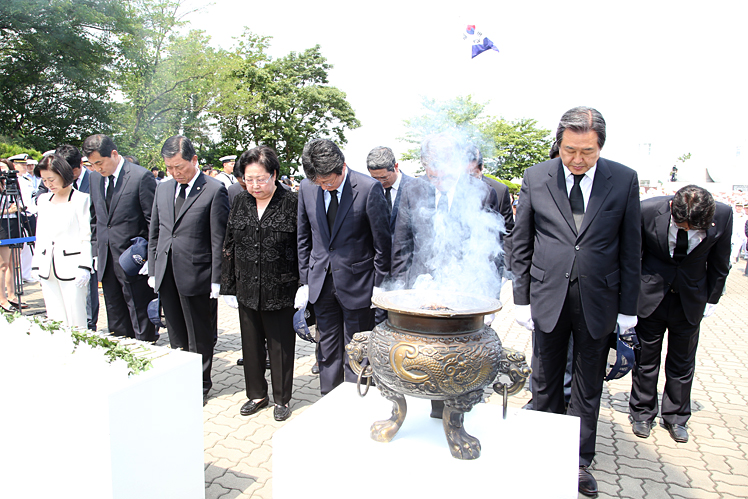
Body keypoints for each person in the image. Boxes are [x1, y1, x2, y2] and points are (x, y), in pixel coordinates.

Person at [511, 106, 641, 497]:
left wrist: (628, 308)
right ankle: (541, 451)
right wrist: (521, 299)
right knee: (545, 378)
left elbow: (631, 247)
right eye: (570, 150)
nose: (578, 160)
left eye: (587, 152)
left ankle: (578, 461)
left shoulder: (623, 180)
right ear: (560, 144)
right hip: (547, 294)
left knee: (587, 385)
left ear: (600, 146)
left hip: (599, 298)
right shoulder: (537, 176)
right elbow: (522, 241)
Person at [390, 132, 502, 418]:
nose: (435, 171)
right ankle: (433, 412)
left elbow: (489, 249)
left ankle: (458, 414)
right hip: (422, 288)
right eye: (430, 163)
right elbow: (401, 246)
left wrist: (488, 297)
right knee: (427, 357)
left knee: (460, 359)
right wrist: (398, 292)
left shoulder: (482, 191)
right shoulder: (413, 190)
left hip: (463, 290)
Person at [629, 185, 731, 443]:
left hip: (691, 298)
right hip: (651, 295)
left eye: (695, 228)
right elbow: (633, 256)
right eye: (683, 225)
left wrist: (713, 299)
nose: (688, 231)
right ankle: (642, 413)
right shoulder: (648, 210)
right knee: (645, 358)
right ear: (672, 208)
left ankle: (675, 417)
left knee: (682, 362)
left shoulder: (724, 214)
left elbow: (720, 261)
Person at [296, 139, 391, 395]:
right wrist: (304, 282)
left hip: (358, 284)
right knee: (326, 346)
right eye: (320, 183)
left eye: (329, 182)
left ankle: (355, 398)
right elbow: (304, 237)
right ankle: (328, 398)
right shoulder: (307, 187)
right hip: (321, 283)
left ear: (343, 166)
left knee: (357, 346)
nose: (325, 187)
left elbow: (382, 243)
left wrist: (379, 287)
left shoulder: (369, 188)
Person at [148, 135, 229, 404]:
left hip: (198, 273)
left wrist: (217, 279)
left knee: (199, 333)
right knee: (175, 332)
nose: (174, 173)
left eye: (179, 167)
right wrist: (152, 268)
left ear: (194, 160)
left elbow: (219, 239)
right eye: (169, 167)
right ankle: (179, 377)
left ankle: (200, 384)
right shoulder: (162, 188)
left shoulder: (214, 189)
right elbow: (156, 232)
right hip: (167, 270)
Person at [221, 146, 298, 421]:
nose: (254, 185)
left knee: (280, 346)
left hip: (281, 287)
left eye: (261, 179)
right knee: (251, 345)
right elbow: (229, 243)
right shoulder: (240, 201)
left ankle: (281, 398)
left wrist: (302, 286)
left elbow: (302, 247)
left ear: (274, 174)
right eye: (248, 179)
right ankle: (256, 394)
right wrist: (227, 285)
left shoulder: (291, 203)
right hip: (247, 287)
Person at [83, 134, 158, 341]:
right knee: (115, 313)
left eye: (100, 162)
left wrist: (151, 259)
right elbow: (96, 217)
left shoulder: (140, 177)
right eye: (92, 164)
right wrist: (96, 250)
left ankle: (146, 355)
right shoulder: (95, 178)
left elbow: (153, 221)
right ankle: (122, 354)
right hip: (106, 259)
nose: (97, 168)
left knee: (139, 313)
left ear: (114, 154)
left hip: (133, 258)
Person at [31, 155, 92, 328]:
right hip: (47, 266)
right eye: (44, 180)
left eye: (51, 179)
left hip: (73, 266)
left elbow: (86, 236)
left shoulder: (81, 199)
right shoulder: (43, 200)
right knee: (54, 315)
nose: (48, 184)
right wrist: (36, 264)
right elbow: (40, 234)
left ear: (63, 175)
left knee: (76, 315)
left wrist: (85, 266)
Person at [56, 144, 99, 331]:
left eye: (70, 172)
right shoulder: (52, 182)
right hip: (63, 247)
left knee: (89, 292)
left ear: (79, 165)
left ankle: (90, 327)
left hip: (88, 242)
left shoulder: (95, 180)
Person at [365, 146, 414, 235]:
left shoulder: (415, 188)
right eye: (375, 178)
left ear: (396, 166)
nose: (380, 182)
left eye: (384, 177)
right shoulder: (369, 190)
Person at [466, 145, 514, 233]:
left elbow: (507, 231)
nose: (469, 179)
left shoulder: (500, 190)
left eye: (473, 174)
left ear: (482, 166)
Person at [0, 159, 22, 312]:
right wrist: (10, 210)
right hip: (1, 223)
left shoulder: (11, 184)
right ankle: (2, 299)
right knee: (2, 265)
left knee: (12, 264)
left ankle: (12, 295)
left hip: (13, 223)